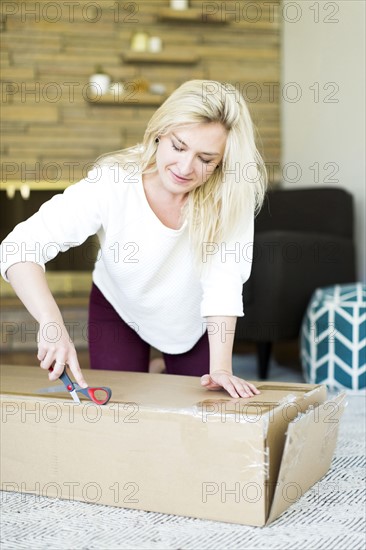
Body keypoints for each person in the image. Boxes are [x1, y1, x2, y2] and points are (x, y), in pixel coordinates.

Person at [0, 80, 267, 399]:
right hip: (119, 306)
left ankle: (158, 369)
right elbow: (19, 246)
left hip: (189, 320)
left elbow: (223, 283)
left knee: (197, 408)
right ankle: (152, 370)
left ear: (222, 162)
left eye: (205, 159)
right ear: (160, 132)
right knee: (122, 405)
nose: (185, 168)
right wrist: (51, 323)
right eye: (179, 146)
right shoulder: (113, 180)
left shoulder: (230, 195)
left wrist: (222, 368)